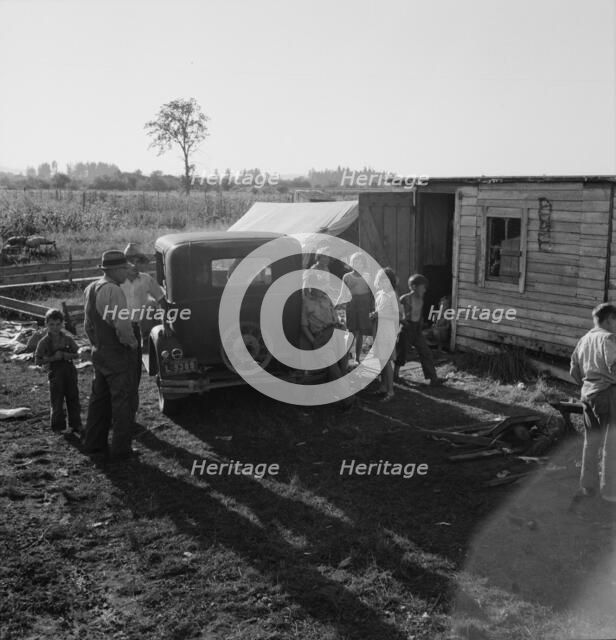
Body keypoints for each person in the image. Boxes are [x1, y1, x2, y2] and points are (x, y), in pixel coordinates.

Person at [82, 250, 139, 460]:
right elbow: (122, 326)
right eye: (124, 268)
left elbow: (87, 324)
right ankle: (122, 449)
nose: (127, 271)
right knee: (123, 401)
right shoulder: (114, 291)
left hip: (100, 352)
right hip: (117, 353)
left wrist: (96, 344)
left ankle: (94, 443)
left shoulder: (91, 288)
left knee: (99, 400)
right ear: (114, 270)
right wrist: (132, 344)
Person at [570, 302, 616, 502]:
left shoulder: (584, 339)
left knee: (591, 442)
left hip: (587, 395)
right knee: (611, 444)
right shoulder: (608, 338)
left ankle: (588, 487)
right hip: (607, 394)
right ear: (608, 320)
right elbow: (614, 365)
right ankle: (610, 492)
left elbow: (574, 370)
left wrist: (587, 385)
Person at [120, 243, 165, 424]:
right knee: (118, 368)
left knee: (134, 369)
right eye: (131, 260)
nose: (134, 264)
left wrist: (166, 323)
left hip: (135, 327)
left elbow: (161, 298)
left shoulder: (145, 279)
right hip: (116, 326)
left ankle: (131, 411)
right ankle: (118, 411)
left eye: (138, 260)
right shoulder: (116, 280)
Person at [301, 270, 354, 409]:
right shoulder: (306, 303)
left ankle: (335, 395)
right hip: (321, 336)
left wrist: (341, 328)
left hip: (336, 332)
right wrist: (314, 341)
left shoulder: (326, 298)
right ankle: (348, 400)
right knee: (333, 367)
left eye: (321, 286)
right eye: (316, 286)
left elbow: (335, 315)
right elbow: (304, 325)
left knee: (343, 364)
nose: (319, 289)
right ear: (310, 287)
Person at [34, 308, 81, 433]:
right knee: (57, 400)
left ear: (62, 324)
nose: (55, 327)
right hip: (55, 374)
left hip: (70, 372)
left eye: (58, 324)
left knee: (73, 397)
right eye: (51, 324)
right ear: (46, 324)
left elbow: (78, 353)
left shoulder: (68, 339)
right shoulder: (43, 342)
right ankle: (58, 426)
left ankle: (75, 424)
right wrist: (52, 358)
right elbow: (37, 360)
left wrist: (66, 355)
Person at [394, 274, 444, 386]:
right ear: (413, 287)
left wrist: (421, 323)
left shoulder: (421, 299)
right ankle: (395, 375)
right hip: (406, 329)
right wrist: (402, 322)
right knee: (401, 352)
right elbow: (396, 312)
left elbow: (419, 313)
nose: (425, 290)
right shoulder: (405, 299)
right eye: (423, 287)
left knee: (425, 352)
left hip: (417, 330)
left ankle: (433, 378)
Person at [369, 267, 400, 403]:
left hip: (388, 331)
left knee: (387, 361)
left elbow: (396, 316)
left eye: (386, 280)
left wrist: (380, 315)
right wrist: (374, 316)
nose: (383, 282)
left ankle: (391, 390)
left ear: (391, 282)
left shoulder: (392, 295)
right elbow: (378, 311)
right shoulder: (378, 294)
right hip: (379, 330)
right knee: (381, 360)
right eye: (381, 279)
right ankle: (383, 386)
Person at [336, 252, 372, 364]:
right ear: (352, 263)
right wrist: (334, 306)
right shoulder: (347, 277)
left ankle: (357, 358)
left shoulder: (368, 276)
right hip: (352, 305)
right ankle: (345, 358)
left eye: (360, 262)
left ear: (363, 264)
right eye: (355, 261)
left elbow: (372, 294)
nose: (358, 264)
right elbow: (342, 294)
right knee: (351, 332)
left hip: (364, 306)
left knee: (361, 333)